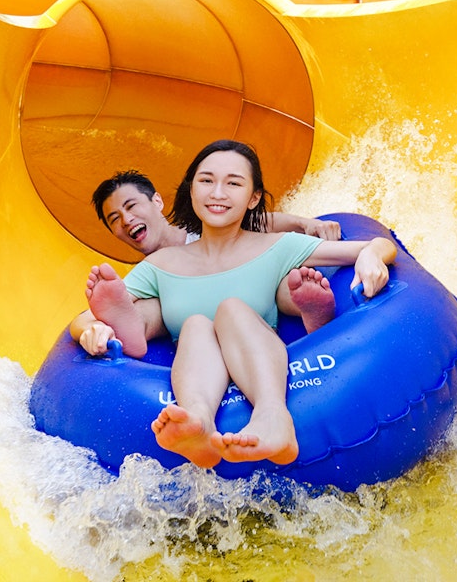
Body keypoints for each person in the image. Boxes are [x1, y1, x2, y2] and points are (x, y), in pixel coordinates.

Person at [70, 139, 397, 469]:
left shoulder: (276, 246)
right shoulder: (161, 264)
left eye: (233, 183)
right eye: (206, 181)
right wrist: (93, 328)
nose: (217, 193)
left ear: (253, 198)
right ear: (191, 190)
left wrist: (370, 255)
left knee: (231, 309)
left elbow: (379, 244)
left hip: (253, 346)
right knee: (195, 325)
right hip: (197, 362)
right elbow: (82, 318)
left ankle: (273, 416)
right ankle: (198, 422)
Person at [88, 169, 342, 330]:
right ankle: (131, 330)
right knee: (151, 307)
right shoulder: (148, 277)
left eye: (131, 206)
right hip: (205, 328)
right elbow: (99, 311)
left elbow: (260, 223)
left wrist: (305, 223)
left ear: (156, 201)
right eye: (114, 219)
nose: (126, 219)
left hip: (256, 294)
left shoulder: (204, 227)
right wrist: (96, 327)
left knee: (285, 281)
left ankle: (311, 308)